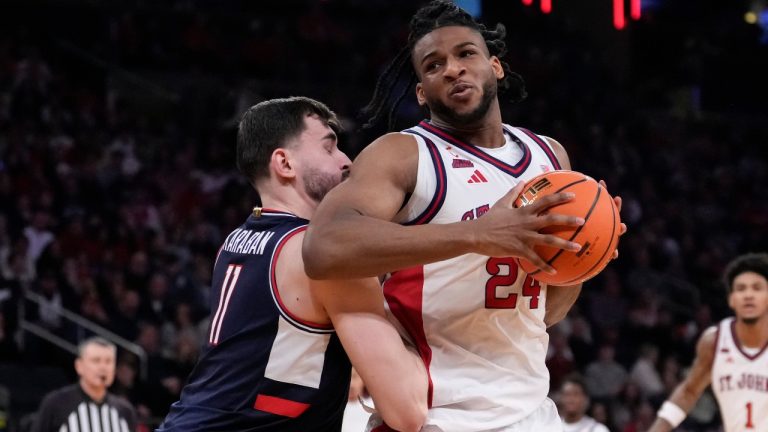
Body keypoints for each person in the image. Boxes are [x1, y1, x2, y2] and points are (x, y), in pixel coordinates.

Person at [303, 1, 625, 430]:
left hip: (532, 410)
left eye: (465, 54)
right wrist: (477, 234)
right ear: (422, 92)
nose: (452, 69)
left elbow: (545, 312)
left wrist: (585, 257)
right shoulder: (404, 154)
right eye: (433, 65)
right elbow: (323, 248)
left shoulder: (551, 156)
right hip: (438, 415)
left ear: (495, 67)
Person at [157, 97, 427, 432]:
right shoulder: (324, 260)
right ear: (284, 163)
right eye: (330, 149)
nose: (347, 161)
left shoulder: (235, 241)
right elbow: (408, 411)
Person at [648, 253, 768, 432]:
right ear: (731, 299)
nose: (748, 295)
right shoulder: (715, 341)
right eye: (741, 288)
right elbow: (689, 391)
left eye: (757, 288)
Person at [32, 337, 137, 432]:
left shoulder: (125, 410)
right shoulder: (56, 404)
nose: (103, 367)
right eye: (96, 361)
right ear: (79, 366)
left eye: (108, 361)